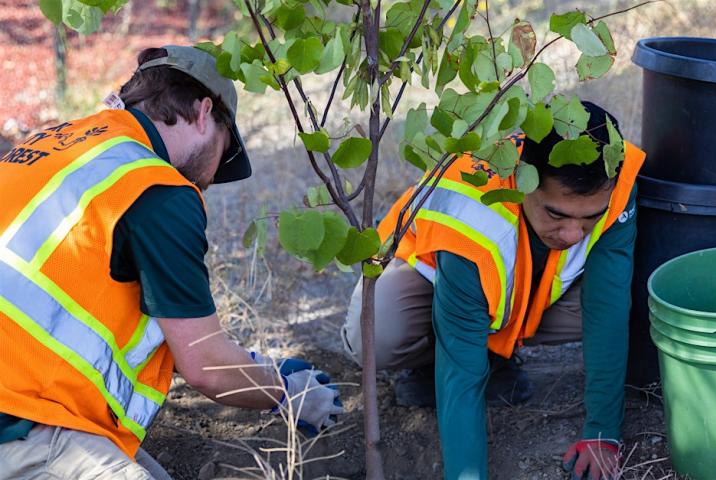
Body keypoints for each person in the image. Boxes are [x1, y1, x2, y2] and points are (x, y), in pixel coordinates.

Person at [0, 45, 342, 479]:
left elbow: (71, 302)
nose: (213, 178)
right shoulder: (156, 188)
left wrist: (255, 365)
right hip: (21, 423)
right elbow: (206, 368)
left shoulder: (56, 146)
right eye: (224, 150)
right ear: (204, 113)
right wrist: (287, 392)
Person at [341, 101, 645, 479]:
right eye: (556, 214)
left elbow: (608, 305)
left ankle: (498, 357)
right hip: (428, 275)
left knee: (630, 302)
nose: (572, 235)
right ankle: (426, 365)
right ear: (523, 179)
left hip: (524, 288)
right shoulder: (473, 213)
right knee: (377, 336)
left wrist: (603, 432)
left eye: (590, 218)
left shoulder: (615, 176)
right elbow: (461, 373)